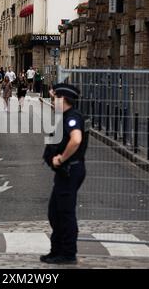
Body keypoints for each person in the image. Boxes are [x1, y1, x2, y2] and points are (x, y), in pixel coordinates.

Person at [41, 84, 90, 265]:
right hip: (66, 172)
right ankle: (56, 250)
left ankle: (68, 253)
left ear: (64, 99)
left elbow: (76, 139)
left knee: (65, 213)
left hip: (70, 170)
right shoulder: (66, 116)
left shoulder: (73, 117)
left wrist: (61, 159)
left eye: (56, 98)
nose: (54, 101)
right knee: (55, 212)